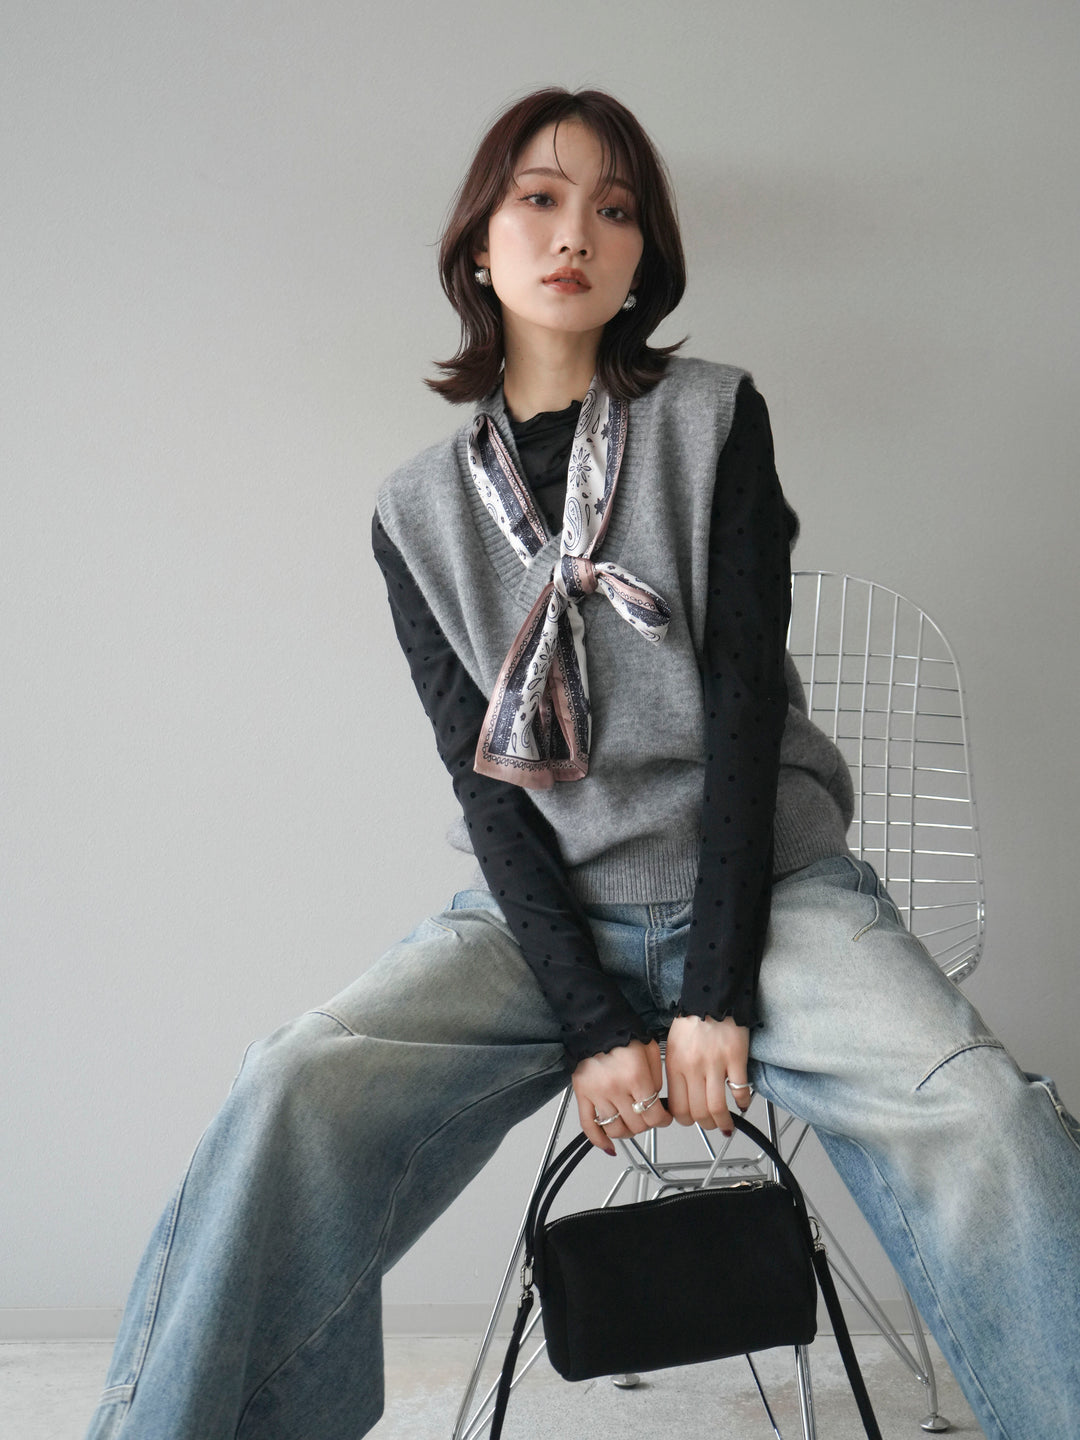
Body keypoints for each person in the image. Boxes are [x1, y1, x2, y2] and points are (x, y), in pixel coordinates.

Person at [85, 87, 1079, 1440]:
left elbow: (741, 718)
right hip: (540, 917)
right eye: (540, 200)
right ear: (477, 243)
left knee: (985, 1117)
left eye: (615, 211)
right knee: (293, 1083)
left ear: (642, 259)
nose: (576, 235)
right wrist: (593, 1018)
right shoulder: (415, 512)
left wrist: (711, 992)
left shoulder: (714, 421)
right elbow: (485, 786)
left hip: (770, 898)